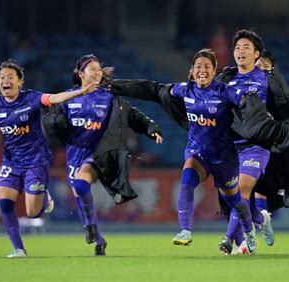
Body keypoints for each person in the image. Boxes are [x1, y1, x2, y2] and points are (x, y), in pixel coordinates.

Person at [0, 60, 97, 258]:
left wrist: (79, 92)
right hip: (11, 162)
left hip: (36, 161)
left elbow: (55, 98)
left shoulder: (31, 98)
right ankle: (19, 249)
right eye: (2, 77)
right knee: (5, 204)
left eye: (10, 77)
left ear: (20, 82)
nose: (5, 80)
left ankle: (44, 198)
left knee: (32, 213)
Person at [111, 49, 260, 253]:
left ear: (214, 70)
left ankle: (249, 231)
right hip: (197, 152)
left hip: (224, 158)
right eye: (198, 66)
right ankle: (185, 231)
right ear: (191, 70)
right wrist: (115, 86)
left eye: (207, 66)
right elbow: (152, 89)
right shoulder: (184, 90)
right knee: (187, 181)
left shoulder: (224, 91)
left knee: (234, 200)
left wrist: (249, 103)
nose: (202, 70)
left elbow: (244, 100)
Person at [43, 54, 163, 256]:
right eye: (93, 69)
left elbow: (132, 114)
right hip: (76, 154)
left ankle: (90, 228)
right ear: (81, 74)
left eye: (99, 69)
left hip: (101, 152)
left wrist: (151, 127)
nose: (98, 73)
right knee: (80, 193)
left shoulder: (109, 97)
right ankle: (98, 238)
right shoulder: (68, 98)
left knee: (81, 184)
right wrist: (52, 126)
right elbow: (52, 122)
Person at [215, 30, 289, 254]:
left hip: (259, 145)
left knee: (243, 189)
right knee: (232, 196)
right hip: (231, 147)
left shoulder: (268, 79)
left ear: (256, 54)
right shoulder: (227, 78)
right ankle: (259, 220)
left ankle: (230, 240)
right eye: (237, 48)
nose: (241, 52)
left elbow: (288, 106)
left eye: (247, 48)